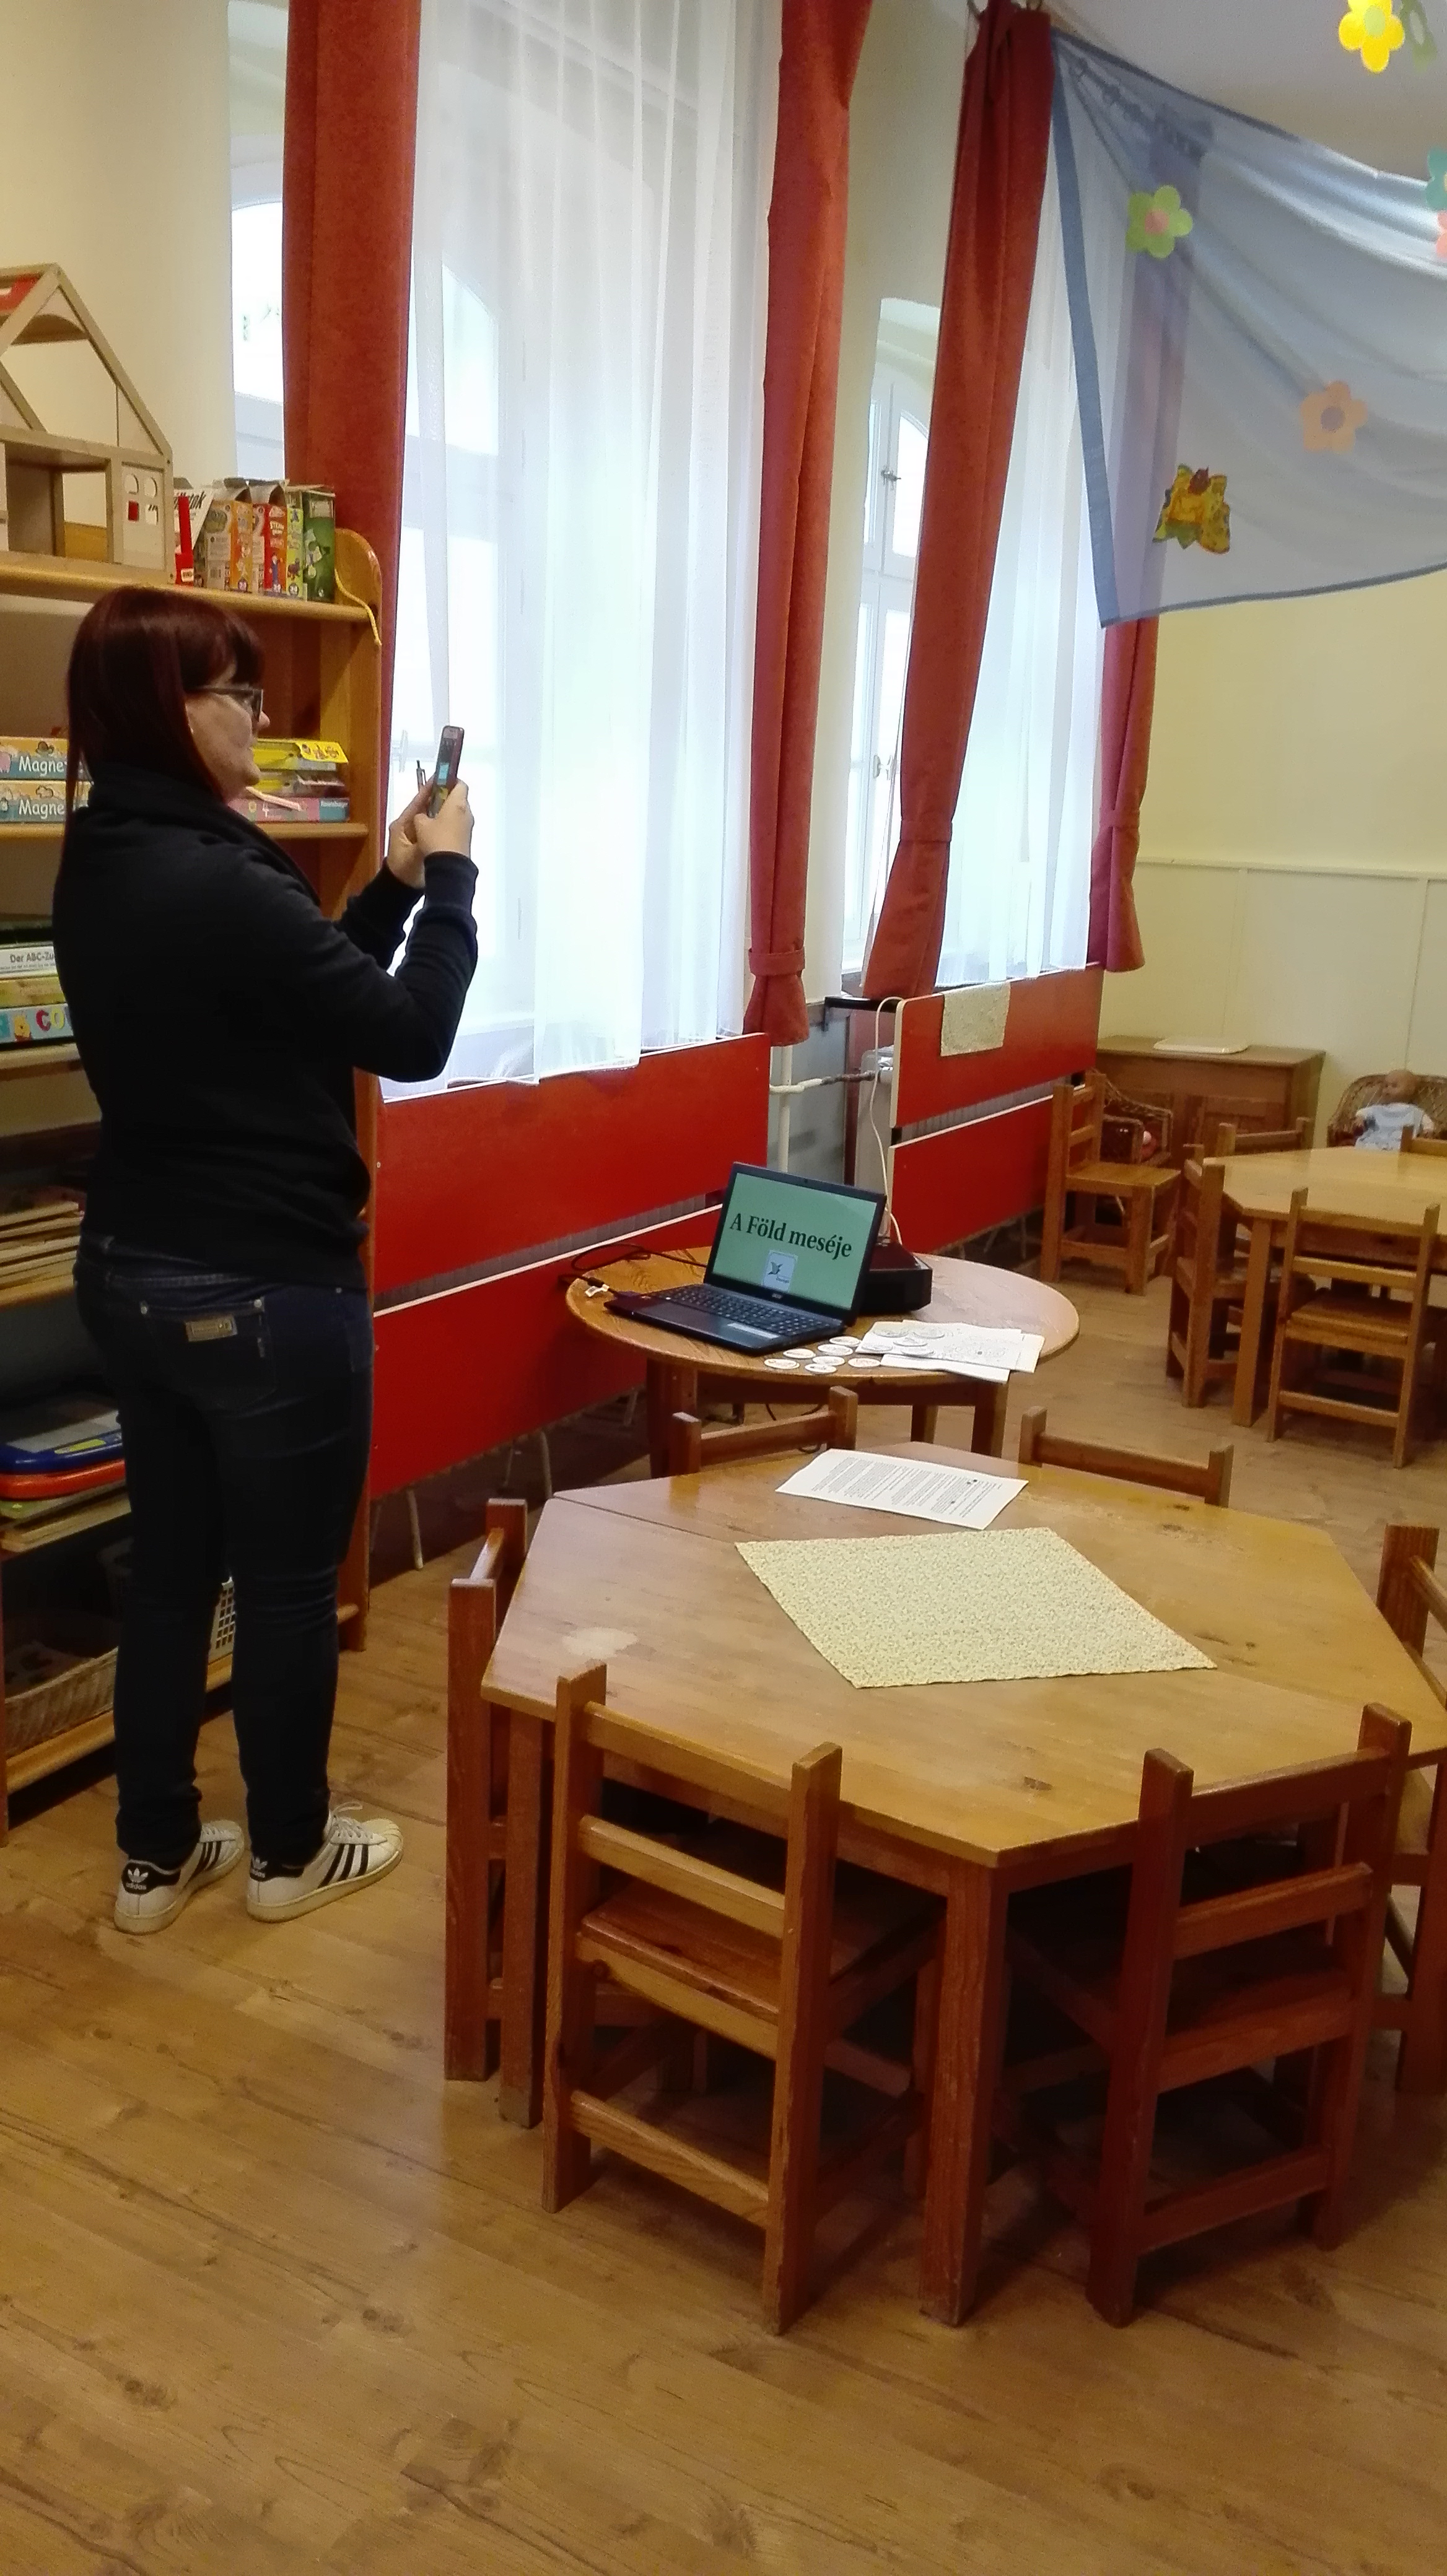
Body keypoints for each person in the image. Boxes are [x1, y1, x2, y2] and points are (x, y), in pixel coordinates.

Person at [54, 586, 478, 1934]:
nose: (258, 715)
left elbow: (304, 1003)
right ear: (169, 712)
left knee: (174, 1575)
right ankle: (290, 1853)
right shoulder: (222, 876)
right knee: (289, 1585)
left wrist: (389, 886)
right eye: (236, 693)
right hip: (261, 1287)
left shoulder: (103, 853)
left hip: (129, 1271)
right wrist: (455, 882)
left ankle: (154, 1858)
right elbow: (408, 1036)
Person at [1352, 1069, 1436, 1152]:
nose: (1388, 1089)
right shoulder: (1378, 1109)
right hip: (1374, 1142)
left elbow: (1428, 1123)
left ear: (1410, 1090)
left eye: (1394, 1086)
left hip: (1401, 1145)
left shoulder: (1415, 1112)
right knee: (1364, 1148)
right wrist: (1360, 1119)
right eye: (1386, 1086)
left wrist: (1428, 1131)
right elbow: (1363, 1112)